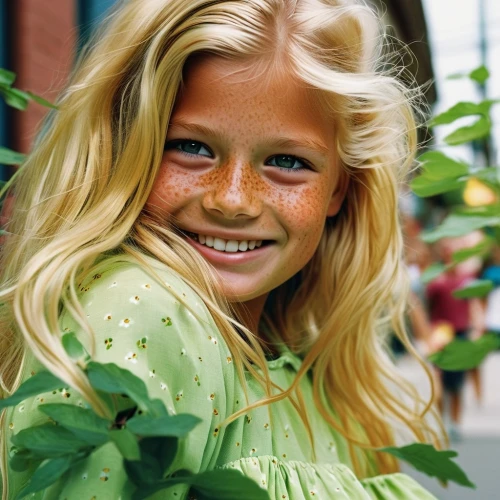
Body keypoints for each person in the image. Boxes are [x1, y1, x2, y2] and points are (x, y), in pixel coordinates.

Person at [0, 0, 443, 498]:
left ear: (340, 187)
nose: (232, 200)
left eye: (285, 161)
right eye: (192, 147)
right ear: (128, 145)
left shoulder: (311, 368)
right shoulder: (144, 313)